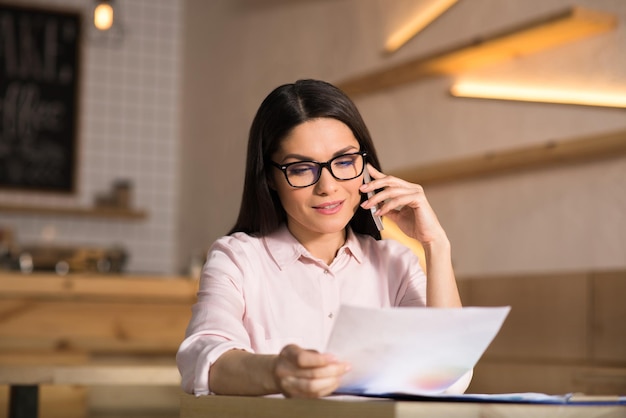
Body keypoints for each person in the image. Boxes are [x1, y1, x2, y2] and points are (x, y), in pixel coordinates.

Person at [176, 79, 469, 398]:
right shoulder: (238, 258)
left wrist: (436, 244)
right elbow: (203, 360)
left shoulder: (395, 262)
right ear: (271, 178)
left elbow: (448, 375)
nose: (328, 186)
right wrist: (278, 372)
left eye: (344, 162)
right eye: (302, 168)